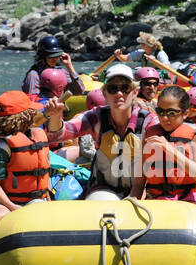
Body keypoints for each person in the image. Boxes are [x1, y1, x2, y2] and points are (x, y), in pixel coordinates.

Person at [54, 63, 157, 198]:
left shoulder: (149, 122)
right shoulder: (96, 117)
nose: (119, 93)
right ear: (104, 93)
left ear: (135, 93)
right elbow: (60, 134)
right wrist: (55, 115)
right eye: (113, 88)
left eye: (125, 88)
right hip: (105, 189)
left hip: (142, 190)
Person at [0, 91, 65, 219]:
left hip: (35, 199)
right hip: (6, 201)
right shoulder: (4, 146)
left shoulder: (38, 136)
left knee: (42, 212)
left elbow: (44, 171)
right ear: (25, 116)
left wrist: (47, 192)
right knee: (2, 215)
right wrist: (12, 206)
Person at [132, 86, 196, 205]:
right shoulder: (150, 134)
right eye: (160, 112)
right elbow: (139, 182)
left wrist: (169, 149)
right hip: (158, 198)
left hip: (190, 198)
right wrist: (131, 201)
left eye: (171, 113)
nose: (164, 118)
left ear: (185, 114)